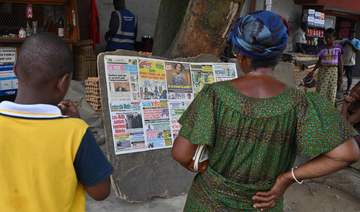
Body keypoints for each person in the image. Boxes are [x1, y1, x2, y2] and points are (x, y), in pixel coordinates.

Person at [171, 11, 359, 211]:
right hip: (264, 204)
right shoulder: (301, 104)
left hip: (207, 202)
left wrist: (203, 167)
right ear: (278, 55)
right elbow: (348, 153)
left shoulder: (214, 96)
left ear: (240, 53)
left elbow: (181, 153)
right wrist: (288, 178)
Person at [0, 32, 114, 212]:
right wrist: (78, 126)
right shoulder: (75, 132)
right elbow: (100, 191)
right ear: (64, 82)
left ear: (15, 70)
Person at [308, 28, 344, 106]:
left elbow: (340, 62)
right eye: (326, 37)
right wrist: (313, 70)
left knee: (331, 91)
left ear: (335, 37)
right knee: (321, 90)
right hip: (323, 72)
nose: (327, 39)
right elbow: (319, 61)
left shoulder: (338, 48)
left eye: (329, 37)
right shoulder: (321, 48)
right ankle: (319, 107)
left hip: (333, 72)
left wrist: (341, 76)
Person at [342, 30, 360, 94]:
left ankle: (348, 89)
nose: (351, 37)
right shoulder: (344, 40)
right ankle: (338, 87)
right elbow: (339, 48)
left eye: (352, 35)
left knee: (350, 76)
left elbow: (357, 51)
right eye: (350, 35)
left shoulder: (357, 41)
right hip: (342, 62)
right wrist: (344, 44)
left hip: (351, 62)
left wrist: (351, 45)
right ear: (348, 35)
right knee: (339, 75)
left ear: (354, 35)